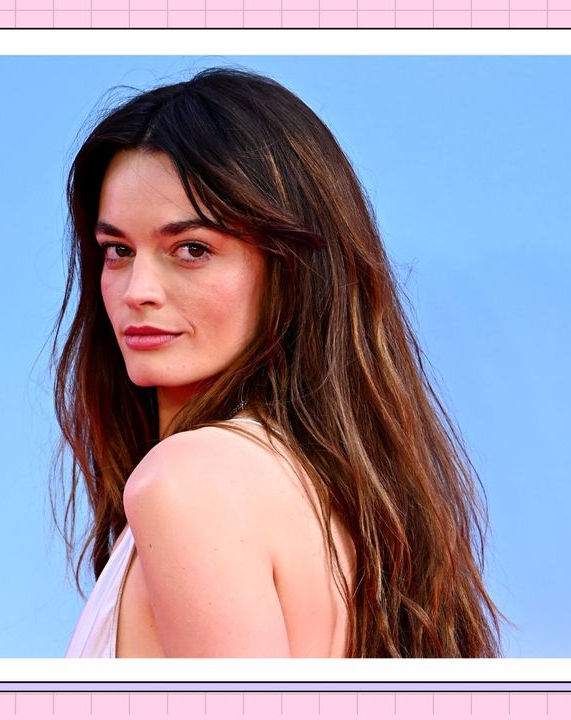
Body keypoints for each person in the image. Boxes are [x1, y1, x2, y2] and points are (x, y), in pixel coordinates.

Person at [54, 67, 502, 658]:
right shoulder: (346, 494)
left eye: (192, 249)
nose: (138, 289)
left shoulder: (187, 486)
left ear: (289, 268)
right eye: (117, 250)